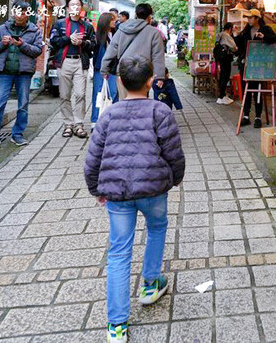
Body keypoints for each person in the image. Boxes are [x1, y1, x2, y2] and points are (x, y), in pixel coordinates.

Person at [84, 56, 185, 343]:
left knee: (119, 252)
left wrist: (96, 189)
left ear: (120, 81)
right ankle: (150, 284)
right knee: (157, 228)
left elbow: (92, 159)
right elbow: (174, 153)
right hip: (153, 189)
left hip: (117, 192)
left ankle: (116, 326)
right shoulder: (160, 111)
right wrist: (175, 178)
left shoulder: (108, 115)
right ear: (151, 81)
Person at [0, 0, 44, 150]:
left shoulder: (34, 30)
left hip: (24, 73)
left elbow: (37, 50)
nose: (20, 15)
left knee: (22, 105)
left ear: (28, 14)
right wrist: (2, 43)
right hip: (4, 72)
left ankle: (17, 134)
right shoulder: (2, 28)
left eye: (23, 12)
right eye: (17, 11)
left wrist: (22, 45)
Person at [50, 0, 96, 138]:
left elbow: (93, 44)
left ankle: (79, 124)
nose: (75, 7)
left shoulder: (87, 26)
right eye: (72, 5)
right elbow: (53, 41)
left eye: (77, 5)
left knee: (80, 94)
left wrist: (82, 43)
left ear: (81, 8)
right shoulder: (59, 24)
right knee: (64, 95)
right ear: (68, 8)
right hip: (64, 62)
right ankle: (68, 124)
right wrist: (68, 38)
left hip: (80, 62)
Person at [101, 3, 166, 98]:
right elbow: (158, 55)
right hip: (143, 72)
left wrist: (104, 69)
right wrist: (159, 76)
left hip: (124, 70)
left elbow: (111, 50)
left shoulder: (122, 29)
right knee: (141, 101)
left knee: (123, 101)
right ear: (149, 16)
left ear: (136, 14)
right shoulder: (154, 32)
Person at [235, 9, 276, 128]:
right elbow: (238, 48)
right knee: (246, 91)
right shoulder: (245, 32)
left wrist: (264, 37)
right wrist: (235, 35)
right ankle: (246, 116)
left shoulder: (266, 29)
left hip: (260, 67)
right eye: (248, 18)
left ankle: (258, 117)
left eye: (250, 18)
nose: (248, 20)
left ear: (257, 18)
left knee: (258, 91)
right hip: (246, 66)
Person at [91, 12, 119, 126]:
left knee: (113, 93)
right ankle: (95, 121)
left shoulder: (115, 34)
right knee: (98, 94)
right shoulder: (98, 37)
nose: (114, 22)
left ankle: (112, 120)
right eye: (112, 20)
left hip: (113, 69)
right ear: (106, 22)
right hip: (100, 70)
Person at [215, 23, 238, 105]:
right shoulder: (226, 35)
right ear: (230, 28)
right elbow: (234, 47)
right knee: (225, 76)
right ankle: (221, 97)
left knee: (222, 75)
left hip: (221, 58)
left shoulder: (220, 35)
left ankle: (222, 96)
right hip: (226, 58)